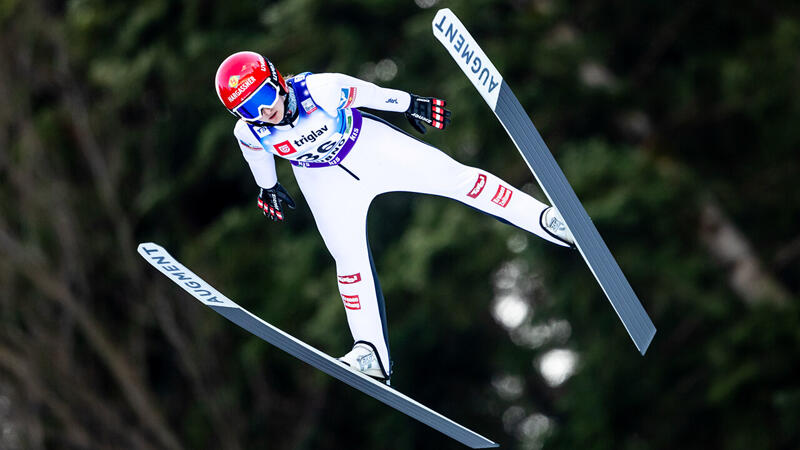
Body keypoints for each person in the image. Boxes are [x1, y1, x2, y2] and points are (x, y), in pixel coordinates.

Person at [215, 51, 574, 384]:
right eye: (248, 109)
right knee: (347, 259)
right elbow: (257, 157)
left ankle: (546, 220)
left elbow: (369, 93)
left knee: (459, 180)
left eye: (263, 98)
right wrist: (269, 187)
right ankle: (370, 353)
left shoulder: (321, 90)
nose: (263, 113)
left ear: (276, 80)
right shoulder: (249, 131)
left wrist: (410, 104)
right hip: (323, 180)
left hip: (370, 147)